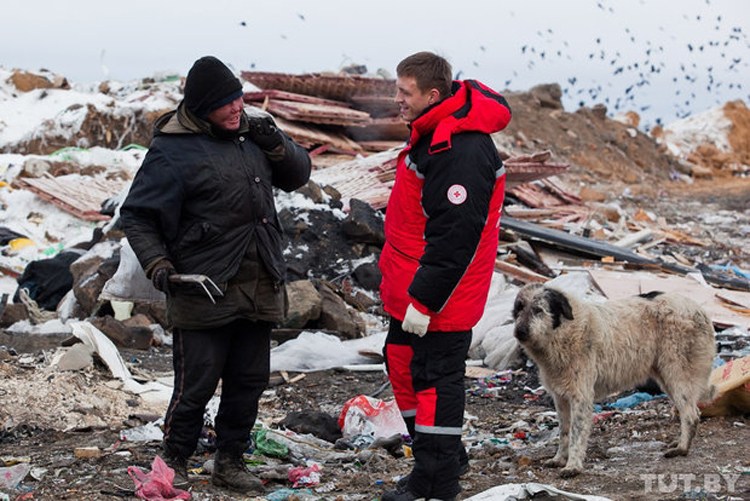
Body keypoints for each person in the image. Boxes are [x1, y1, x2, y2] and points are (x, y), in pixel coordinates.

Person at [119, 55, 311, 494]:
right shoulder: (172, 149)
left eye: (238, 97)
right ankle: (175, 459)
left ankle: (230, 460)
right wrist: (158, 265)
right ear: (203, 106)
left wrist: (276, 141)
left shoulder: (252, 134)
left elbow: (297, 175)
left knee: (249, 380)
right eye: (225, 102)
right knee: (196, 383)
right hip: (202, 284)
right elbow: (138, 216)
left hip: (259, 277)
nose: (236, 107)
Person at [379, 51, 512, 501]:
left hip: (441, 297)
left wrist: (426, 300)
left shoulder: (460, 149)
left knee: (436, 382)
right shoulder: (433, 133)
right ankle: (441, 453)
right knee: (401, 362)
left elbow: (456, 237)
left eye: (404, 92)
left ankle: (435, 482)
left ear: (432, 95)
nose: (396, 99)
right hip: (413, 288)